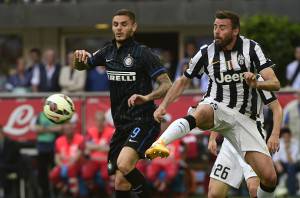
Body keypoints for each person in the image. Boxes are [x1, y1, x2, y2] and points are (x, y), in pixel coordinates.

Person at [146, 10, 280, 197]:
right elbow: (183, 81)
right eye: (215, 27)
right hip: (219, 107)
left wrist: (257, 83)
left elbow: (275, 83)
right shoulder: (206, 52)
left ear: (235, 31)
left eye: (222, 28)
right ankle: (161, 142)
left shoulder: (251, 49)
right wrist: (163, 106)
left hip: (246, 121)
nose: (217, 31)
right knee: (202, 112)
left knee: (269, 178)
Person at [73, 9, 172, 198]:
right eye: (115, 24)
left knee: (124, 164)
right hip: (121, 125)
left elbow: (167, 84)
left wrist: (148, 97)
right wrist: (77, 59)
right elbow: (81, 66)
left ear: (133, 27)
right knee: (120, 181)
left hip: (143, 120)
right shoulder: (107, 51)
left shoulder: (143, 53)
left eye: (124, 24)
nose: (119, 28)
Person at [207, 75, 282, 198]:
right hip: (230, 140)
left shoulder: (258, 79)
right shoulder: (225, 77)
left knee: (254, 189)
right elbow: (220, 109)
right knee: (215, 193)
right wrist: (212, 137)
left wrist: (275, 134)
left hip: (252, 139)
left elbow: (277, 108)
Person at [49, 115, 84, 197]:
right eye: (66, 128)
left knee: (71, 169)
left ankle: (74, 194)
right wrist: (62, 166)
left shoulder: (80, 138)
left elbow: (77, 156)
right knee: (52, 175)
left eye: (70, 127)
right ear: (63, 130)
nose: (68, 129)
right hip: (63, 165)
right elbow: (57, 158)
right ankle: (65, 187)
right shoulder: (59, 140)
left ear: (73, 128)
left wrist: (67, 166)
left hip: (76, 165)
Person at [31, 111, 62, 198]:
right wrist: (51, 128)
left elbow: (60, 128)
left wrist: (44, 129)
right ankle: (45, 194)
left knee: (55, 173)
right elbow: (36, 128)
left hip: (53, 147)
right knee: (42, 174)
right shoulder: (40, 115)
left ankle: (56, 193)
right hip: (42, 148)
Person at [273, 127, 300, 196]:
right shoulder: (279, 142)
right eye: (284, 136)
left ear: (290, 136)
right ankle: (273, 191)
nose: (286, 138)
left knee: (291, 167)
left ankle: (291, 192)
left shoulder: (295, 142)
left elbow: (292, 161)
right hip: (282, 164)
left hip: (294, 164)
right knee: (272, 167)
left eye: (287, 136)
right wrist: (277, 164)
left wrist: (287, 150)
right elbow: (275, 157)